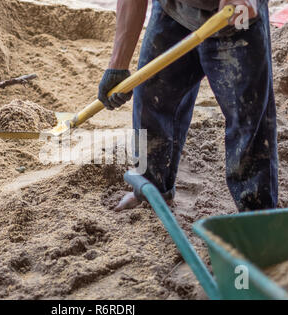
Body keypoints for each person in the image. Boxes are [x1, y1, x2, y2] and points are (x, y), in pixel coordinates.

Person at [97, 0, 278, 212]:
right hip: (173, 11)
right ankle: (152, 192)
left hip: (235, 19)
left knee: (247, 123)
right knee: (151, 101)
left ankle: (257, 217)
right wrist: (118, 64)